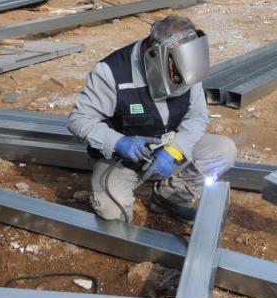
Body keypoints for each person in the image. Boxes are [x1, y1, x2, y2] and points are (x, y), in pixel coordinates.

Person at [67, 15, 237, 223]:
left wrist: (174, 150)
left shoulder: (187, 64)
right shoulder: (111, 72)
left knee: (223, 151)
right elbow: (79, 119)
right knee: (111, 212)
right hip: (123, 160)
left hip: (168, 149)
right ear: (156, 54)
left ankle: (168, 197)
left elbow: (197, 116)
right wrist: (119, 142)